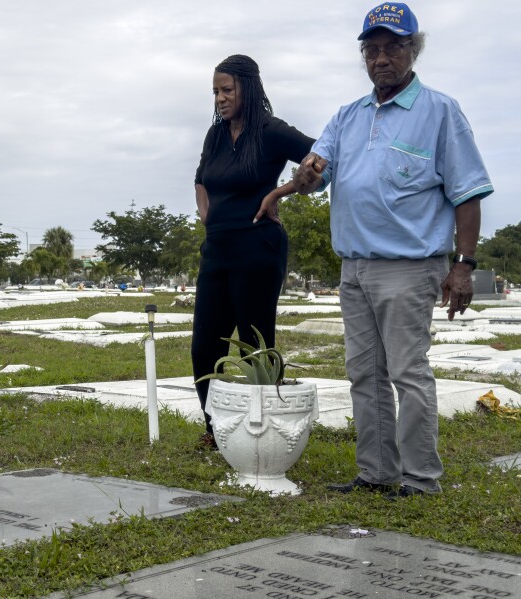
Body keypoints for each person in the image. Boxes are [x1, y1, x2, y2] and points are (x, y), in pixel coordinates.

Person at [293, 3, 493, 497]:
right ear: (364, 57)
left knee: (407, 372)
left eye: (393, 48)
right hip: (354, 266)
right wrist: (308, 176)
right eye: (372, 50)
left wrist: (464, 267)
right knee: (364, 373)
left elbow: (466, 193)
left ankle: (421, 479)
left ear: (413, 50)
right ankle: (376, 472)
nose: (382, 59)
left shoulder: (440, 111)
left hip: (409, 266)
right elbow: (315, 174)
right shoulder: (348, 115)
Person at [191, 54, 314, 449]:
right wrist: (207, 217)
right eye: (215, 92)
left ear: (249, 88)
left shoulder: (271, 131)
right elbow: (201, 179)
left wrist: (280, 192)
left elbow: (321, 159)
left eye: (227, 90)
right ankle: (217, 429)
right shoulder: (215, 135)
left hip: (258, 245)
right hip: (218, 248)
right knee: (205, 344)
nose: (220, 99)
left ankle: (267, 428)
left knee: (254, 344)